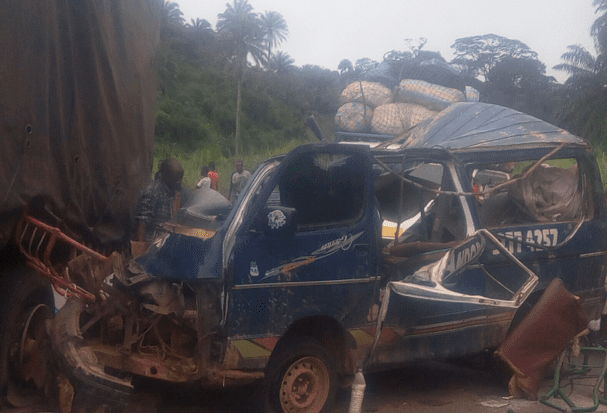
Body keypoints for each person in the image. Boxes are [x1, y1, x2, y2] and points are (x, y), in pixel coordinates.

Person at [134, 158, 184, 243]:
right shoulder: (153, 192)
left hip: (165, 241)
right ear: (165, 176)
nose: (179, 182)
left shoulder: (172, 191)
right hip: (152, 243)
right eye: (175, 179)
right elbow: (142, 221)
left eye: (180, 178)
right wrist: (140, 246)